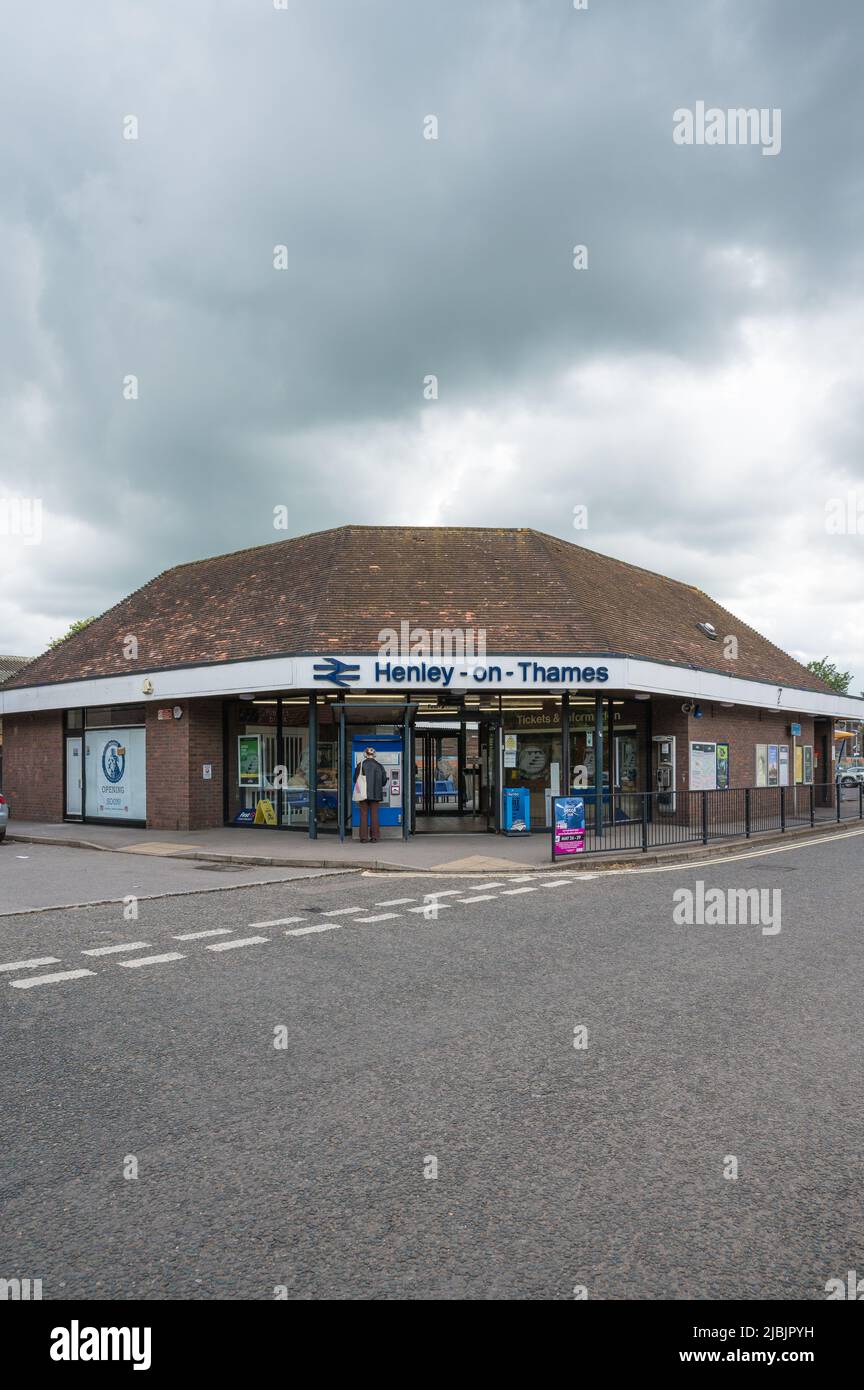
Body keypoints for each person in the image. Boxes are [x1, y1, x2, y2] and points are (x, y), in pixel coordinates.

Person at [353, 746, 388, 843]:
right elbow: (384, 781)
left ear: (365, 754)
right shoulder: (379, 765)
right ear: (374, 755)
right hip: (376, 794)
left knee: (363, 815)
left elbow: (355, 780)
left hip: (363, 794)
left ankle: (363, 838)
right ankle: (374, 837)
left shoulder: (360, 765)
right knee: (374, 815)